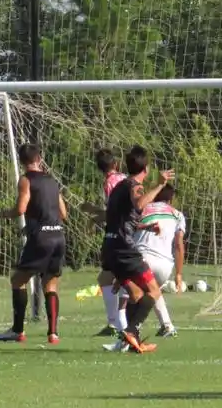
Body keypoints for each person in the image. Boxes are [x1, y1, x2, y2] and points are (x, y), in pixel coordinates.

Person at [100, 145, 174, 354]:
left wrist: (146, 226)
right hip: (125, 250)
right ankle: (131, 332)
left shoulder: (118, 187)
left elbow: (120, 220)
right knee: (154, 291)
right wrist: (159, 186)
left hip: (110, 248)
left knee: (136, 295)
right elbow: (140, 203)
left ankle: (132, 342)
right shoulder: (135, 186)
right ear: (146, 168)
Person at [0, 144, 68, 344]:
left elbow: (20, 208)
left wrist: (4, 214)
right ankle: (53, 333)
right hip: (58, 237)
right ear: (40, 158)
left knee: (18, 281)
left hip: (41, 238)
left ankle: (18, 330)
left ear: (21, 161)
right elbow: (63, 213)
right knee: (50, 284)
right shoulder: (53, 181)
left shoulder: (26, 180)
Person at [79, 148, 127, 336]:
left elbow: (113, 215)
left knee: (113, 279)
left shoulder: (110, 183)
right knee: (111, 278)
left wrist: (93, 215)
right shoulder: (125, 179)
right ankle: (117, 323)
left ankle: (117, 324)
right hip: (128, 232)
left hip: (118, 235)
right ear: (116, 164)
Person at [132, 182, 185, 337]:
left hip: (142, 259)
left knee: (127, 293)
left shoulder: (142, 209)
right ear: (171, 199)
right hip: (165, 265)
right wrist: (179, 274)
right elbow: (179, 245)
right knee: (154, 290)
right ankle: (167, 326)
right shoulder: (177, 214)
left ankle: (126, 330)